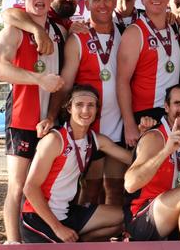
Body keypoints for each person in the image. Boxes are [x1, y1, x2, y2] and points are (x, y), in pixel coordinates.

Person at [0, 0, 66, 244]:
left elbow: (60, 82)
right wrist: (38, 79)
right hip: (22, 118)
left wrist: (51, 115)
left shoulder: (58, 30)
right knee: (18, 186)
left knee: (42, 187)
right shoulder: (14, 29)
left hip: (48, 122)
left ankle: (36, 238)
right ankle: (13, 242)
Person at [37, 0, 126, 206]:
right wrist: (50, 116)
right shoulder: (78, 38)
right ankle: (82, 239)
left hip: (120, 127)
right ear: (87, 4)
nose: (102, 4)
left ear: (114, 1)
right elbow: (65, 84)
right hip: (89, 129)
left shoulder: (127, 34)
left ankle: (112, 239)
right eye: (96, 0)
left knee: (116, 190)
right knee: (89, 191)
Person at [20, 85, 131, 243]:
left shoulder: (95, 139)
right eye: (79, 105)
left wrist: (146, 137)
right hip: (39, 219)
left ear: (97, 109)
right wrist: (58, 228)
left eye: (91, 105)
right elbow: (29, 188)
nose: (85, 111)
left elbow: (132, 159)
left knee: (124, 217)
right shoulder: (54, 140)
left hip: (67, 213)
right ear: (69, 108)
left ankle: (80, 243)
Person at [123, 84, 180, 241]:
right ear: (166, 107)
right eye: (177, 103)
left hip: (173, 210)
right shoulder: (154, 137)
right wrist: (166, 151)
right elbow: (130, 184)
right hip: (143, 216)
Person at [117, 0, 180, 148]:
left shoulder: (175, 26)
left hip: (172, 111)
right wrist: (129, 124)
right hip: (144, 114)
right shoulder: (134, 32)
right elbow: (122, 81)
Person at [1, 0, 87, 56]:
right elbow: (8, 14)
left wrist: (71, 36)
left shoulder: (70, 25)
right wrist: (38, 30)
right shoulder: (40, 13)